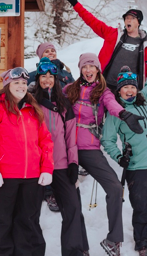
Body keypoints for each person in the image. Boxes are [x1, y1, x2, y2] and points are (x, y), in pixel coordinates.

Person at [64, 52, 145, 256]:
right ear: (80, 69)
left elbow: (112, 104)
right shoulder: (69, 90)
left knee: (115, 188)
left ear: (98, 69)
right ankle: (79, 247)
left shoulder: (103, 92)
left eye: (92, 66)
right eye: (85, 67)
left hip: (89, 148)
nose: (88, 70)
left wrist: (124, 114)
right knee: (72, 200)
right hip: (66, 149)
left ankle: (113, 240)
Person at [0, 67, 54, 256]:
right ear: (7, 86)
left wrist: (47, 169)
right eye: (16, 83)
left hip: (32, 177)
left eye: (23, 83)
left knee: (28, 221)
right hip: (4, 177)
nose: (21, 86)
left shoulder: (33, 110)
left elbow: (46, 141)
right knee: (2, 222)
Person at [102, 62, 147, 256]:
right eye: (125, 87)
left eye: (132, 86)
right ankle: (141, 242)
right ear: (119, 91)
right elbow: (107, 140)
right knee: (141, 207)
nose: (129, 90)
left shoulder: (145, 99)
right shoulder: (116, 113)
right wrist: (119, 157)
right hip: (137, 167)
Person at [30, 57, 89, 256]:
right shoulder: (31, 103)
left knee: (72, 209)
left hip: (62, 165)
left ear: (56, 79)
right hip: (37, 168)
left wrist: (73, 163)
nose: (47, 80)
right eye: (43, 76)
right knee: (30, 214)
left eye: (51, 76)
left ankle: (73, 252)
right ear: (37, 79)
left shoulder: (64, 104)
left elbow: (71, 137)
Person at [63, 0, 147, 91]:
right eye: (126, 18)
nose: (128, 20)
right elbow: (93, 22)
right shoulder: (113, 34)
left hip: (129, 92)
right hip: (106, 86)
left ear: (138, 22)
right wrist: (76, 5)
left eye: (132, 18)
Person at [28, 42, 75, 212]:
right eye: (46, 52)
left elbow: (74, 91)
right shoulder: (33, 74)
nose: (50, 53)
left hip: (60, 114)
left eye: (53, 50)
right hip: (43, 113)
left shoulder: (66, 73)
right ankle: (46, 191)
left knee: (58, 149)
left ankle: (55, 190)